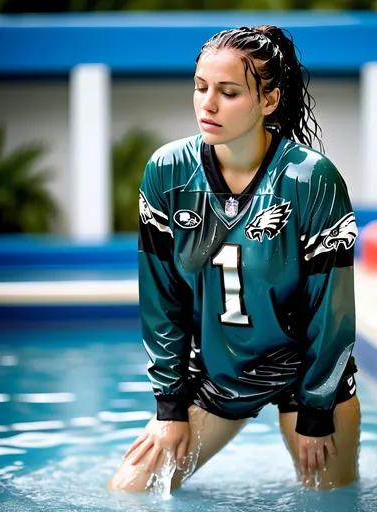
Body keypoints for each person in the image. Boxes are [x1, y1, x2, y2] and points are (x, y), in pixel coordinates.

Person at [107, 24, 360, 494]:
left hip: (303, 370)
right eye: (201, 88)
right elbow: (161, 302)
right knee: (129, 493)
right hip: (217, 372)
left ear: (269, 100)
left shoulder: (311, 179)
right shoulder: (168, 172)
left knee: (334, 500)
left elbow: (332, 307)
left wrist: (317, 408)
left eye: (228, 92)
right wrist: (170, 407)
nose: (208, 103)